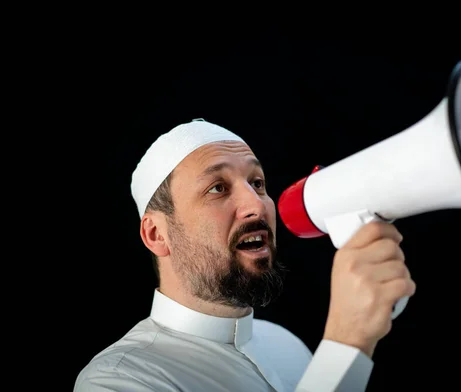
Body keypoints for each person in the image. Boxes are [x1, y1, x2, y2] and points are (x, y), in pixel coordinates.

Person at [74, 118, 416, 391]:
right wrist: (346, 343)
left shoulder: (288, 346)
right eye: (218, 188)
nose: (257, 205)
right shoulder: (118, 380)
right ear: (156, 234)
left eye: (257, 183)